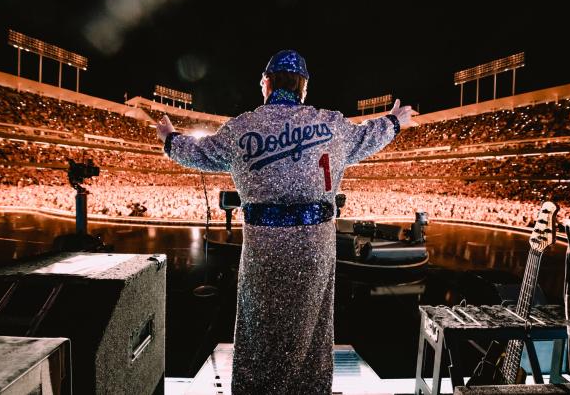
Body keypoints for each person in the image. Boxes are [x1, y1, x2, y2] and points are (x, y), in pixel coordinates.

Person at [155, 50, 414, 394]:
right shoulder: (332, 125)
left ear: (266, 83)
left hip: (263, 246)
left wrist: (171, 138)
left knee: (258, 327)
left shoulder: (242, 128)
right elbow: (368, 136)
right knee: (313, 327)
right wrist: (394, 121)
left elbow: (200, 152)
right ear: (304, 87)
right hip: (315, 245)